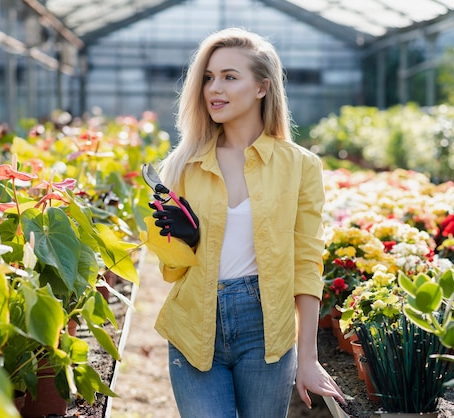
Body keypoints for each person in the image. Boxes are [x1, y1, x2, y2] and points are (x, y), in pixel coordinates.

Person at [148, 27, 346, 418]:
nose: (213, 88)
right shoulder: (183, 165)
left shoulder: (300, 166)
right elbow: (170, 270)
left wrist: (308, 359)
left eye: (229, 77)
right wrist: (186, 241)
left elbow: (307, 262)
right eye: (208, 77)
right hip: (194, 324)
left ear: (262, 88)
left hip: (266, 328)